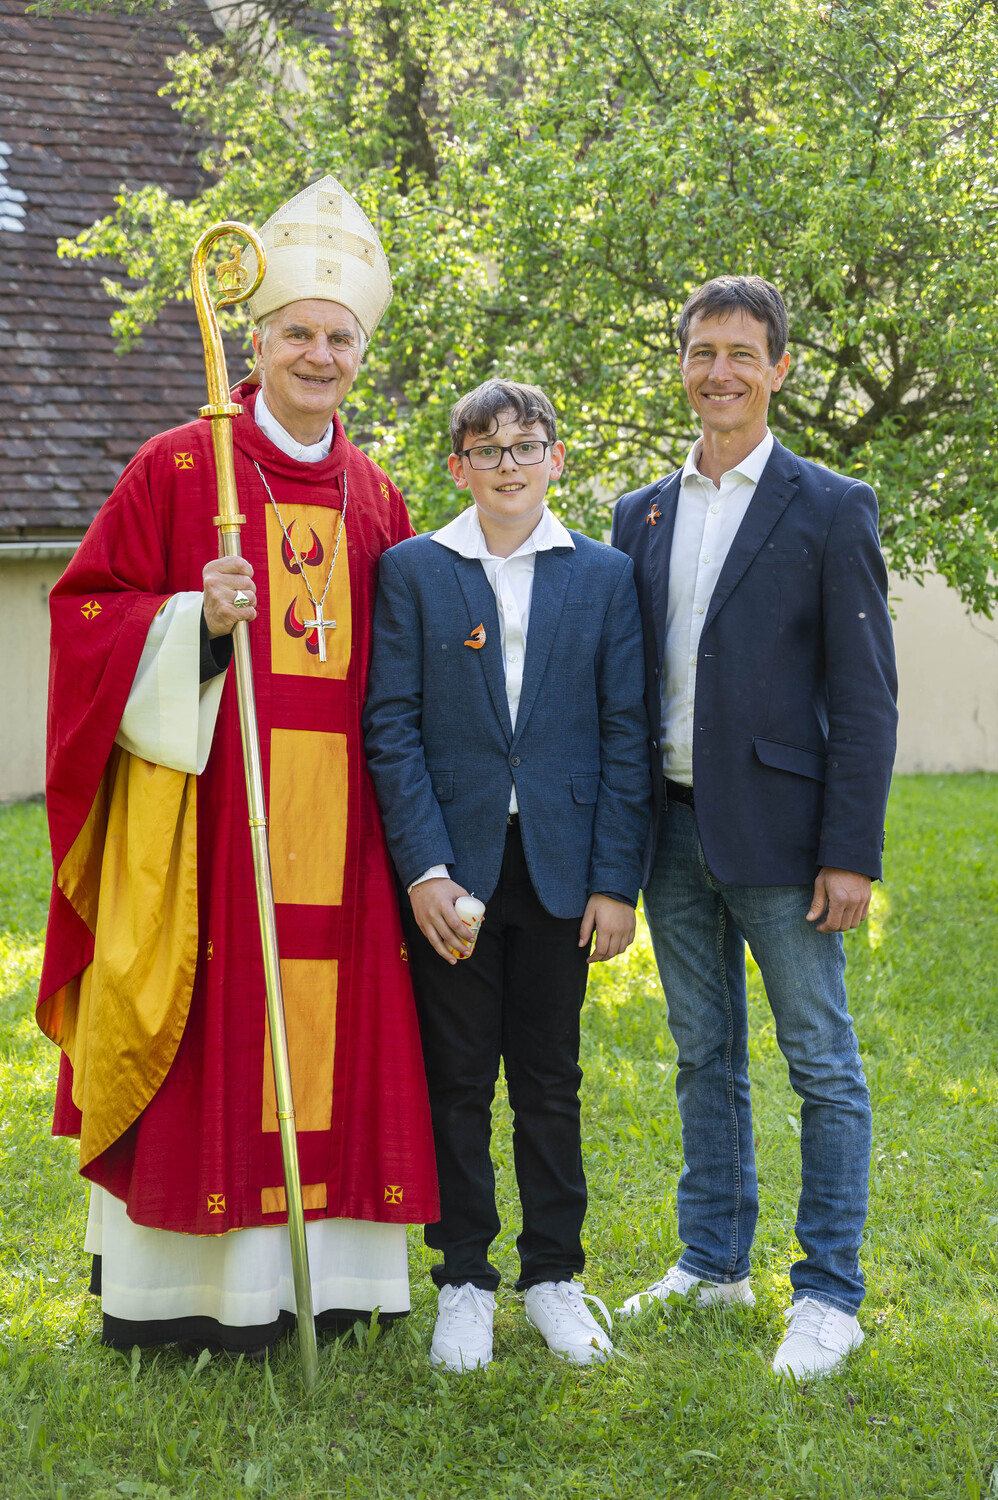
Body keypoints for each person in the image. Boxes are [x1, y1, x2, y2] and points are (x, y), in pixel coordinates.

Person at [36, 174, 438, 1355]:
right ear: (256, 340)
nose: (318, 356)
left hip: (347, 838)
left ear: (360, 354)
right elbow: (84, 617)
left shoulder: (379, 498)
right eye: (297, 333)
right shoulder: (179, 470)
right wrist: (189, 623)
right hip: (213, 821)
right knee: (216, 1021)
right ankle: (182, 1294)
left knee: (336, 1028)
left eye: (339, 339)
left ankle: (332, 1281)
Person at [611, 275, 897, 1379]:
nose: (719, 371)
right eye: (701, 351)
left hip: (785, 839)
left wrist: (849, 854)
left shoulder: (831, 506)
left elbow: (865, 696)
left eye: (741, 352)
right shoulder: (639, 511)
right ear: (681, 365)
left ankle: (827, 1294)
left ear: (778, 367)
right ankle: (713, 1260)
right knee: (704, 1055)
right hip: (672, 832)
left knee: (820, 1062)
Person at [363, 379, 651, 1372]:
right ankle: (463, 1279)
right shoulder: (413, 570)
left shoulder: (604, 575)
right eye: (486, 450)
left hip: (560, 867)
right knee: (455, 1079)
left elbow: (624, 734)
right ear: (458, 468)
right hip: (454, 870)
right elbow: (391, 728)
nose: (508, 465)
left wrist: (614, 881)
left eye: (527, 446)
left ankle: (554, 1276)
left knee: (548, 1078)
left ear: (556, 458)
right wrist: (423, 870)